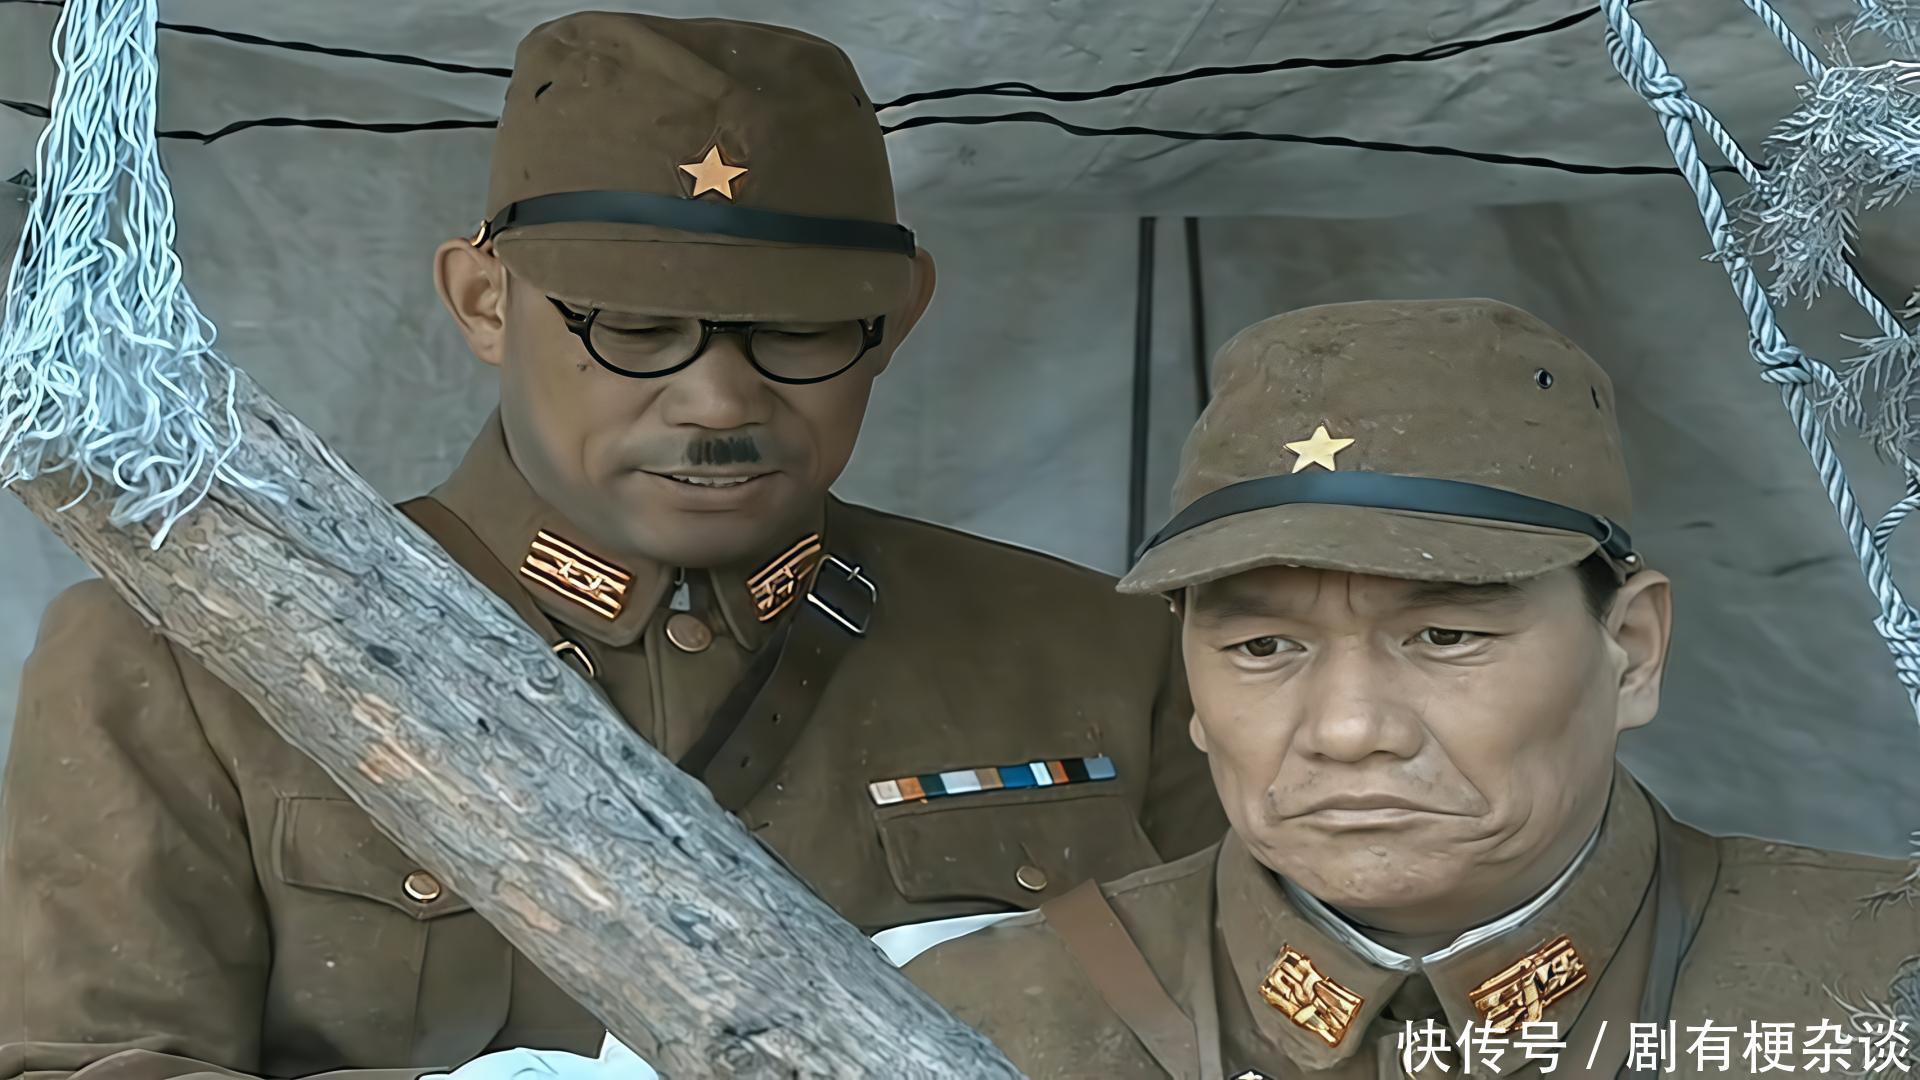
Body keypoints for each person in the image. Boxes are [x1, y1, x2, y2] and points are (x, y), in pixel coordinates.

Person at [0, 13, 1224, 1080]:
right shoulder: (192, 661)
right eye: (635, 328)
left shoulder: (1107, 656)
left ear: (897, 318)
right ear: (484, 302)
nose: (719, 400)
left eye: (798, 333)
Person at [906, 298, 1920, 1079]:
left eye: (1444, 635)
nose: (1350, 730)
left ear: (1633, 650)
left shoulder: (1883, 979)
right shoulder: (983, 1021)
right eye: (1263, 647)